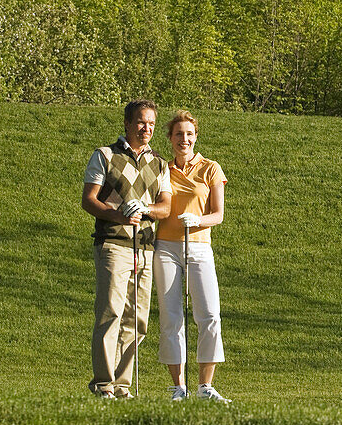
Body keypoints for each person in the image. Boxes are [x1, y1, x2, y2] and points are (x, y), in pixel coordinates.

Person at [81, 100, 172, 398]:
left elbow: (166, 206)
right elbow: (89, 200)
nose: (147, 129)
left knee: (137, 319)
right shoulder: (105, 156)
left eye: (152, 124)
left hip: (145, 247)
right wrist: (120, 215)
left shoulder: (159, 163)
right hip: (113, 245)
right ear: (128, 124)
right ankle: (103, 384)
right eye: (141, 123)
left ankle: (122, 386)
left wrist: (145, 208)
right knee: (110, 313)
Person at [153, 110, 231, 403]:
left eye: (189, 134)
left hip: (198, 246)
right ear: (171, 138)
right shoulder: (162, 168)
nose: (183, 139)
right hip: (167, 247)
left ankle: (205, 386)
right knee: (172, 318)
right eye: (178, 134)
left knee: (209, 315)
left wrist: (196, 220)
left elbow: (218, 215)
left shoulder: (211, 168)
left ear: (195, 137)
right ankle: (178, 387)